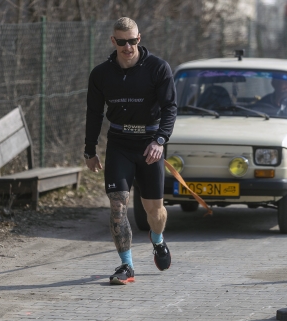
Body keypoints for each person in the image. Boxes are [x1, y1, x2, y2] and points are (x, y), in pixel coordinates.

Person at [84, 17, 177, 285]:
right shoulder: (101, 74)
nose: (128, 47)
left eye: (132, 41)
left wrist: (160, 140)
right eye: (122, 42)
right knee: (117, 206)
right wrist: (90, 150)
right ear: (113, 41)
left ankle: (157, 240)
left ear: (140, 38)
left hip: (150, 144)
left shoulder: (158, 68)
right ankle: (127, 265)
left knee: (154, 213)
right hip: (120, 143)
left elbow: (170, 107)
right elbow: (93, 113)